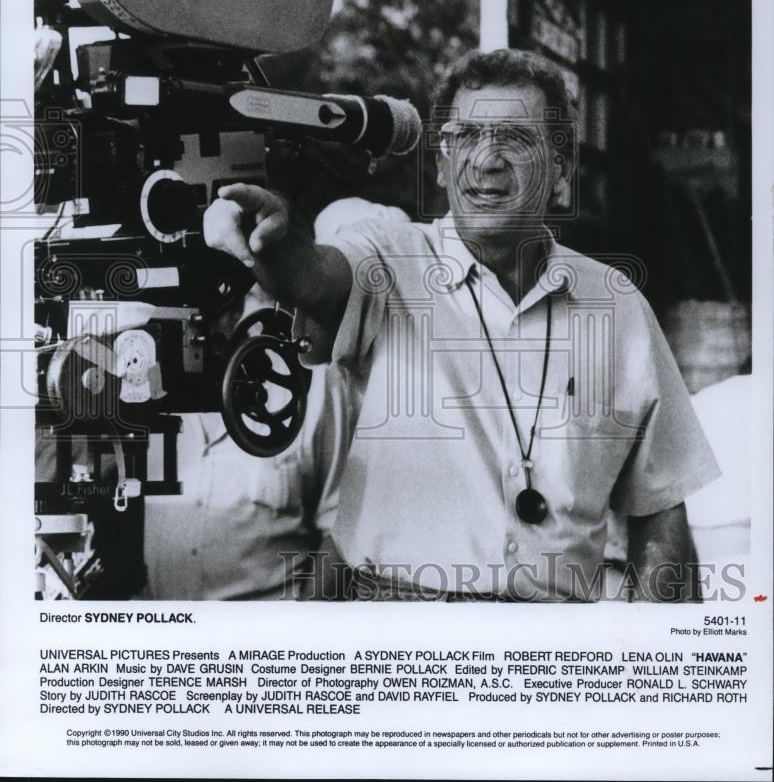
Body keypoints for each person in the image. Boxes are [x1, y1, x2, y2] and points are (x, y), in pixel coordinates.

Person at [203, 48, 720, 602]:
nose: (486, 160)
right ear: (443, 164)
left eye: (516, 139)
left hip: (556, 650)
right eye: (465, 136)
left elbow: (661, 503)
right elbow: (312, 276)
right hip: (398, 632)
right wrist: (273, 236)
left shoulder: (617, 306)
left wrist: (654, 641)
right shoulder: (390, 258)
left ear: (563, 167)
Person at [141, 286, 353, 600]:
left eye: (233, 307)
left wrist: (305, 630)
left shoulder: (317, 385)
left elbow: (342, 531)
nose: (214, 324)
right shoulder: (144, 383)